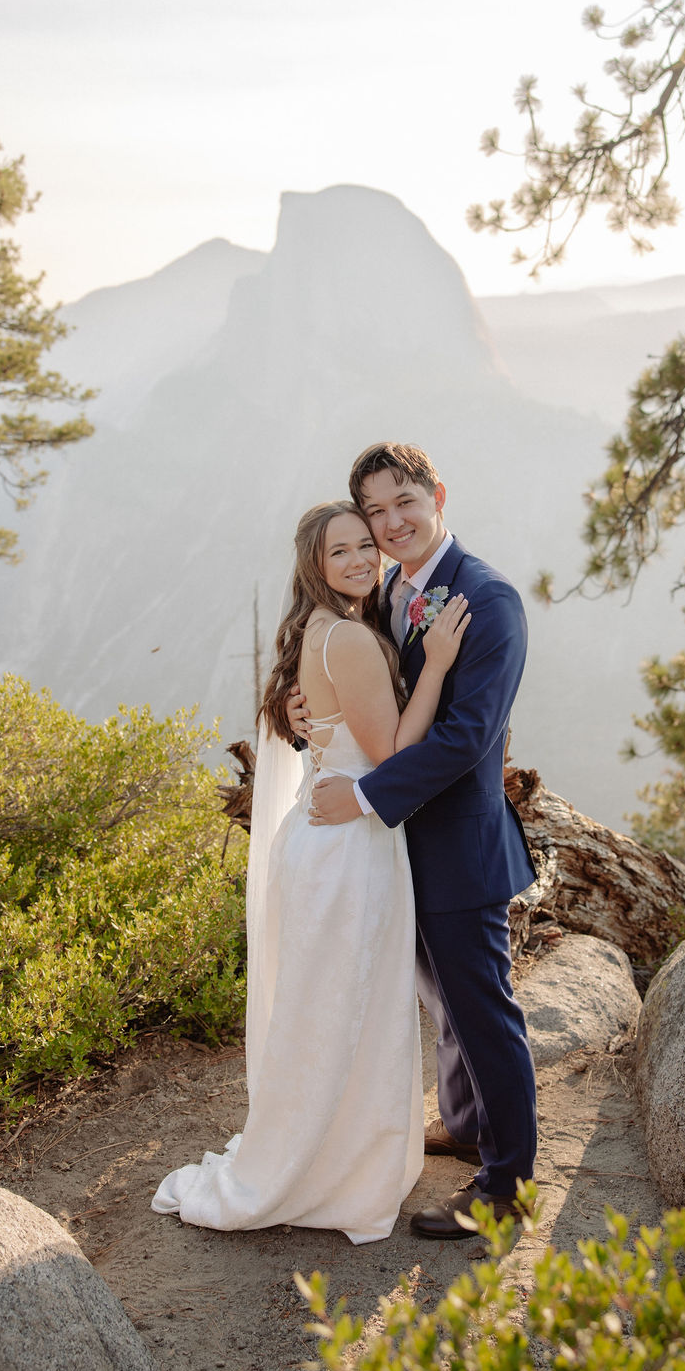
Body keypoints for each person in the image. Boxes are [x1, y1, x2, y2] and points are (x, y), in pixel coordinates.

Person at [151, 500, 469, 1244]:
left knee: (327, 1006)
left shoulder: (322, 631)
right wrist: (441, 666)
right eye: (343, 552)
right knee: (346, 1005)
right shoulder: (351, 638)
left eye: (367, 545)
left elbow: (319, 723)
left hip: (325, 840)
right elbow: (392, 753)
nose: (362, 559)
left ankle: (330, 1152)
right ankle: (330, 1167)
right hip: (349, 850)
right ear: (316, 568)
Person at [302, 442, 538, 1239]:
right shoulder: (389, 591)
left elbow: (469, 736)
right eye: (374, 511)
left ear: (437, 494)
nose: (391, 522)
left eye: (404, 501)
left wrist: (365, 794)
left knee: (483, 1011)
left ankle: (506, 1187)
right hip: (402, 849)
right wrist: (308, 718)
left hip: (459, 850)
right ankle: (468, 1122)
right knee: (443, 1005)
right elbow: (369, 694)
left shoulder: (487, 598)